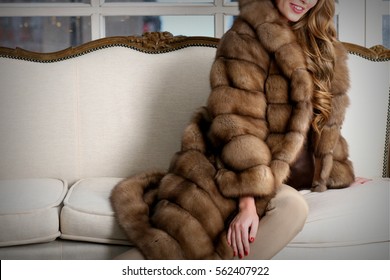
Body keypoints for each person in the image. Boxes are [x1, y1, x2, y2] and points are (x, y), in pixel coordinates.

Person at [112, 0, 357, 260]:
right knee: (177, 248)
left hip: (285, 175)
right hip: (232, 170)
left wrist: (338, 168)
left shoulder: (323, 43)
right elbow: (238, 125)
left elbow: (324, 122)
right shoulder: (244, 38)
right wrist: (247, 200)